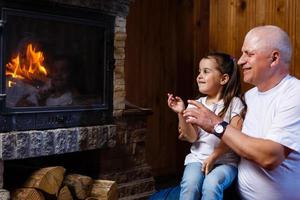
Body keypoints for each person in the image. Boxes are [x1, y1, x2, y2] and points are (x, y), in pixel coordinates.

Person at [183, 25, 300, 200]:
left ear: (274, 58)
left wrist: (215, 124)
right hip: (232, 191)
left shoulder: (294, 93)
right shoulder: (248, 98)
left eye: (249, 54)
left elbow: (269, 157)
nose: (240, 61)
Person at [167, 52, 245, 200]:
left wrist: (214, 157)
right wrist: (181, 112)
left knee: (212, 183)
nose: (199, 76)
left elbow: (234, 136)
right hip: (197, 158)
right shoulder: (196, 104)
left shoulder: (234, 104)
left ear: (223, 79)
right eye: (199, 71)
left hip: (226, 162)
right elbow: (191, 137)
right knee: (190, 184)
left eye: (206, 71)